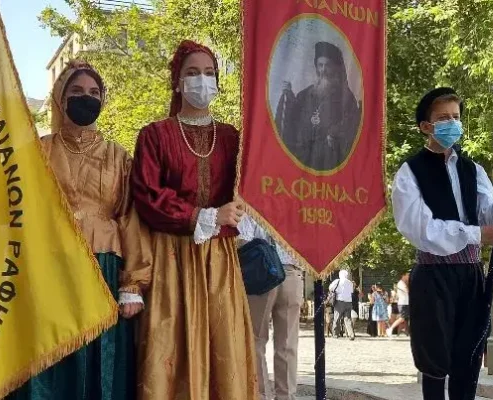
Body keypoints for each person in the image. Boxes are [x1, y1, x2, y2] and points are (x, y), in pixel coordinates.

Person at [4, 61, 151, 400]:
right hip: (48, 266)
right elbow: (15, 213)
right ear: (60, 98)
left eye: (93, 93)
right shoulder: (37, 151)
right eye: (76, 92)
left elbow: (130, 217)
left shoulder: (118, 156)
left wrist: (133, 284)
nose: (86, 98)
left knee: (99, 356)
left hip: (103, 268)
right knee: (50, 359)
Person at [130, 40, 257, 400]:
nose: (202, 80)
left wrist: (237, 211)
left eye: (209, 73)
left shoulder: (234, 138)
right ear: (177, 81)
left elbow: (250, 191)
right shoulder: (155, 135)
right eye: (192, 73)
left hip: (219, 261)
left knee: (224, 349)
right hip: (173, 259)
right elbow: (148, 197)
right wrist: (205, 215)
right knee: (173, 347)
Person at [391, 87, 493, 400]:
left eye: (455, 117)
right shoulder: (410, 173)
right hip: (433, 277)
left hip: (469, 275)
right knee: (434, 362)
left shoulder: (473, 170)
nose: (452, 123)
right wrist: (478, 235)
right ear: (426, 126)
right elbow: (422, 229)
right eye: (443, 118)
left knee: (469, 357)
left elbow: (491, 215)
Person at [238, 216, 304, 400]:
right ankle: (286, 396)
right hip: (292, 272)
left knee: (255, 339)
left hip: (262, 270)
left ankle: (261, 395)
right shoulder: (297, 204)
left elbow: (243, 239)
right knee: (288, 343)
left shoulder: (252, 202)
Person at [275, 41, 361, 171]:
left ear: (336, 69)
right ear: (316, 67)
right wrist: (288, 96)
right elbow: (292, 121)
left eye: (328, 65)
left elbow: (352, 126)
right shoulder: (305, 94)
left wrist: (333, 133)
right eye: (320, 65)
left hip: (330, 164)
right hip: (303, 162)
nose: (323, 70)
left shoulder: (347, 98)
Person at [328, 270, 356, 340]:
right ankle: (351, 334)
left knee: (337, 318)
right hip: (349, 302)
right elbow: (352, 291)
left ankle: (335, 334)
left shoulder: (337, 281)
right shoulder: (350, 282)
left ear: (340, 275)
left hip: (339, 301)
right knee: (348, 319)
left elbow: (330, 288)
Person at [387, 272, 410, 337]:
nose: (408, 276)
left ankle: (406, 331)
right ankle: (390, 329)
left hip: (406, 303)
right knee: (402, 318)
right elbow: (408, 291)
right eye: (407, 275)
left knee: (405, 318)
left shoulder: (404, 283)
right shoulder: (401, 283)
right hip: (403, 303)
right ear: (403, 275)